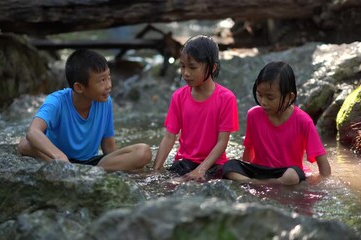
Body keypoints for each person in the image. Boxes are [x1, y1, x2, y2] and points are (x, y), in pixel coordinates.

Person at [18, 49, 151, 171]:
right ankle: (74, 170)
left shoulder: (105, 101)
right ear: (79, 87)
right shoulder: (56, 101)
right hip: (57, 159)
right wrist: (59, 156)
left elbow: (109, 146)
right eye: (102, 80)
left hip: (93, 164)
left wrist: (124, 165)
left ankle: (87, 172)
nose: (109, 85)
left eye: (108, 77)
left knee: (143, 152)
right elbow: (33, 131)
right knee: (25, 144)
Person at [222, 61, 331, 185]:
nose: (263, 102)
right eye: (260, 95)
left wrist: (321, 183)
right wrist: (247, 169)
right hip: (260, 170)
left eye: (270, 97)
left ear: (289, 97)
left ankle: (261, 183)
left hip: (286, 173)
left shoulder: (303, 121)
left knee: (293, 175)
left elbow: (323, 164)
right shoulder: (253, 115)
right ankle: (256, 182)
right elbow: (248, 150)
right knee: (229, 166)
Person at [153, 35, 239, 181]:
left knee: (233, 174)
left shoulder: (226, 98)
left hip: (214, 163)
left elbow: (222, 142)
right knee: (172, 182)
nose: (186, 73)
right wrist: (155, 171)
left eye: (192, 67)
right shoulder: (179, 97)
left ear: (212, 68)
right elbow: (169, 137)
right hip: (185, 163)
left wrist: (201, 170)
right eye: (182, 66)